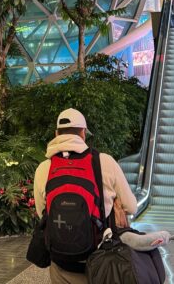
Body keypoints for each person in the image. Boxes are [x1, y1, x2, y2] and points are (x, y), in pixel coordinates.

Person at [34, 108, 137, 283]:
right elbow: (131, 207)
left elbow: (41, 211)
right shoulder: (104, 161)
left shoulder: (44, 167)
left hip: (61, 261)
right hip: (99, 262)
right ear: (83, 133)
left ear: (56, 133)